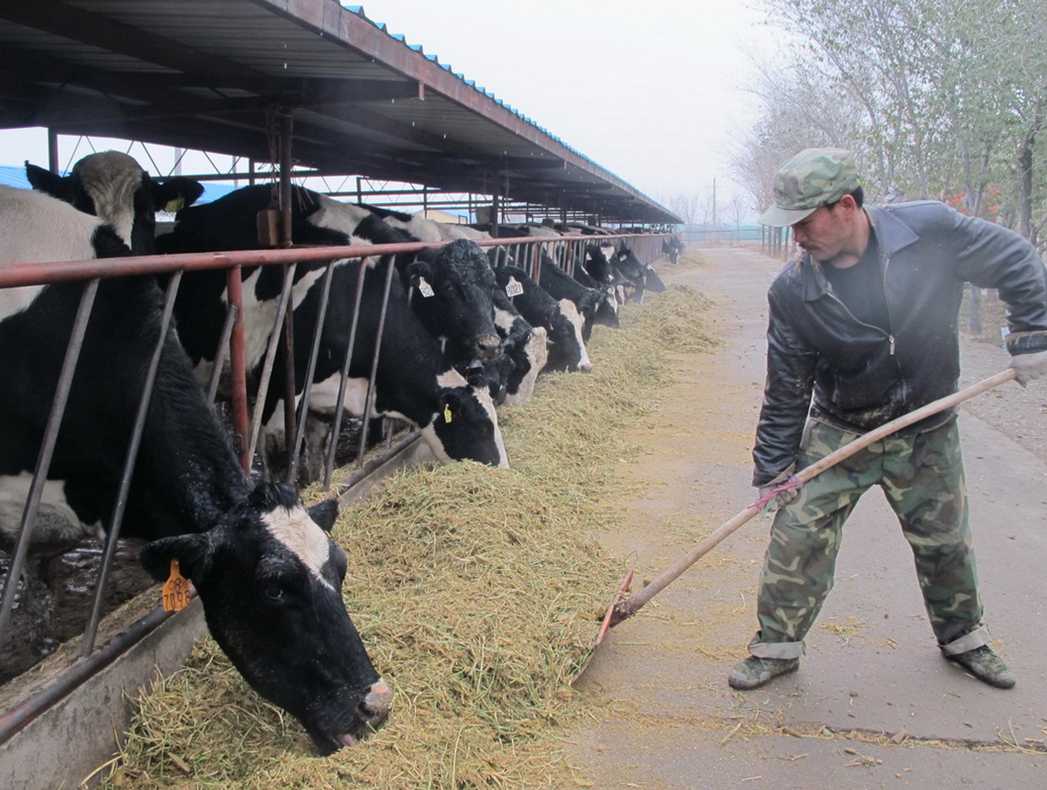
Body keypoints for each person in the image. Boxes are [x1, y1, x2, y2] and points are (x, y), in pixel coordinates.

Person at [731, 148, 1047, 691]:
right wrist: (773, 469)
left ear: (846, 206)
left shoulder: (930, 231)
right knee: (798, 537)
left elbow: (1015, 258)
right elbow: (786, 387)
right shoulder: (793, 291)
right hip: (840, 430)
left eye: (804, 222)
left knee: (944, 542)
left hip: (925, 424)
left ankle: (963, 639)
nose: (796, 238)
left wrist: (1032, 333)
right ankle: (776, 647)